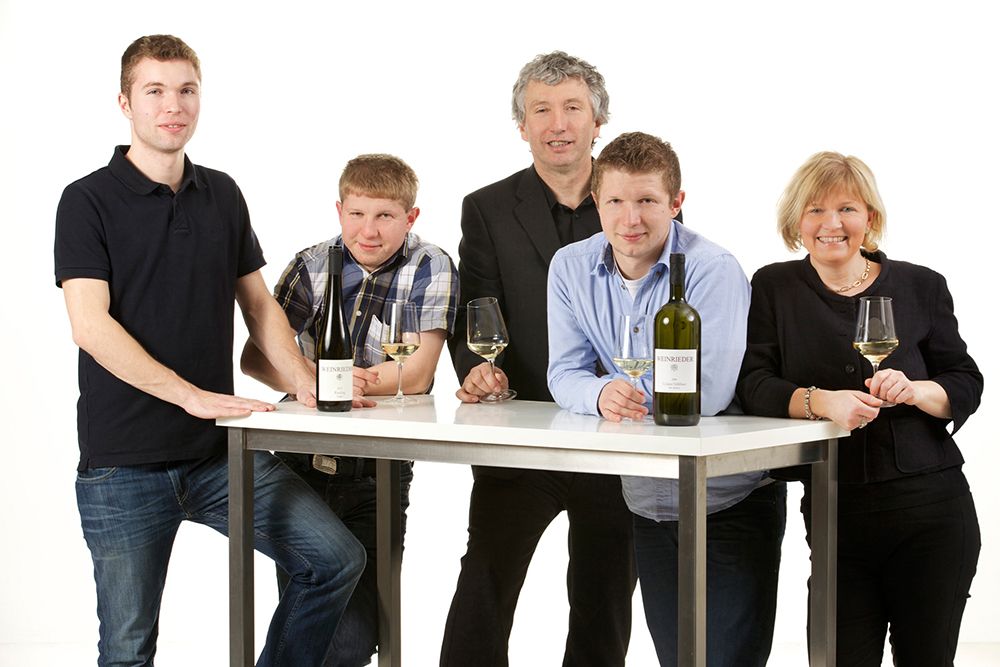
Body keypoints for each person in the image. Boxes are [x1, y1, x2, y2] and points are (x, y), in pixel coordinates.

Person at [53, 35, 365, 666]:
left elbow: (259, 304)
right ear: (125, 103)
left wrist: (302, 377)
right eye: (155, 91)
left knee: (334, 560)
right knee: (127, 650)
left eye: (186, 90)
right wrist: (189, 395)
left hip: (219, 454)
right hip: (124, 465)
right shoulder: (86, 200)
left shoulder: (221, 193)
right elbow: (90, 326)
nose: (174, 105)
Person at [546, 131, 785, 667]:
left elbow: (710, 391)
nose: (630, 218)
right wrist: (600, 392)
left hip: (728, 499)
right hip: (647, 499)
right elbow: (563, 372)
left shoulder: (712, 268)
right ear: (595, 201)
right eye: (615, 200)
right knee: (677, 660)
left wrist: (621, 391)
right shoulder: (570, 267)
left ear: (676, 203)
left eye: (647, 200)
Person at [736, 151, 982, 666]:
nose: (832, 224)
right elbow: (753, 383)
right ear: (796, 221)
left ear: (869, 217)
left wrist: (915, 390)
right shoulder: (774, 287)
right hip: (835, 512)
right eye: (815, 210)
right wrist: (820, 402)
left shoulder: (921, 285)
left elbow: (965, 381)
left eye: (847, 208)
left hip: (931, 511)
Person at [440, 51, 637, 667]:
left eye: (573, 107)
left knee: (605, 589)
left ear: (598, 121)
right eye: (541, 110)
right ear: (522, 125)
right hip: (522, 425)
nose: (558, 123)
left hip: (617, 430)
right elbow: (476, 310)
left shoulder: (635, 200)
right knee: (486, 579)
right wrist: (477, 368)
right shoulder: (487, 207)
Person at [241, 153, 459, 667]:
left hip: (376, 473)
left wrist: (322, 379)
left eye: (385, 215)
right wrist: (318, 380)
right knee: (307, 626)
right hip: (299, 465)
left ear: (410, 217)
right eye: (357, 214)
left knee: (353, 640)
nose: (369, 230)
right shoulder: (311, 264)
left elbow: (417, 373)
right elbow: (257, 359)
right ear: (339, 210)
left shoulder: (430, 265)